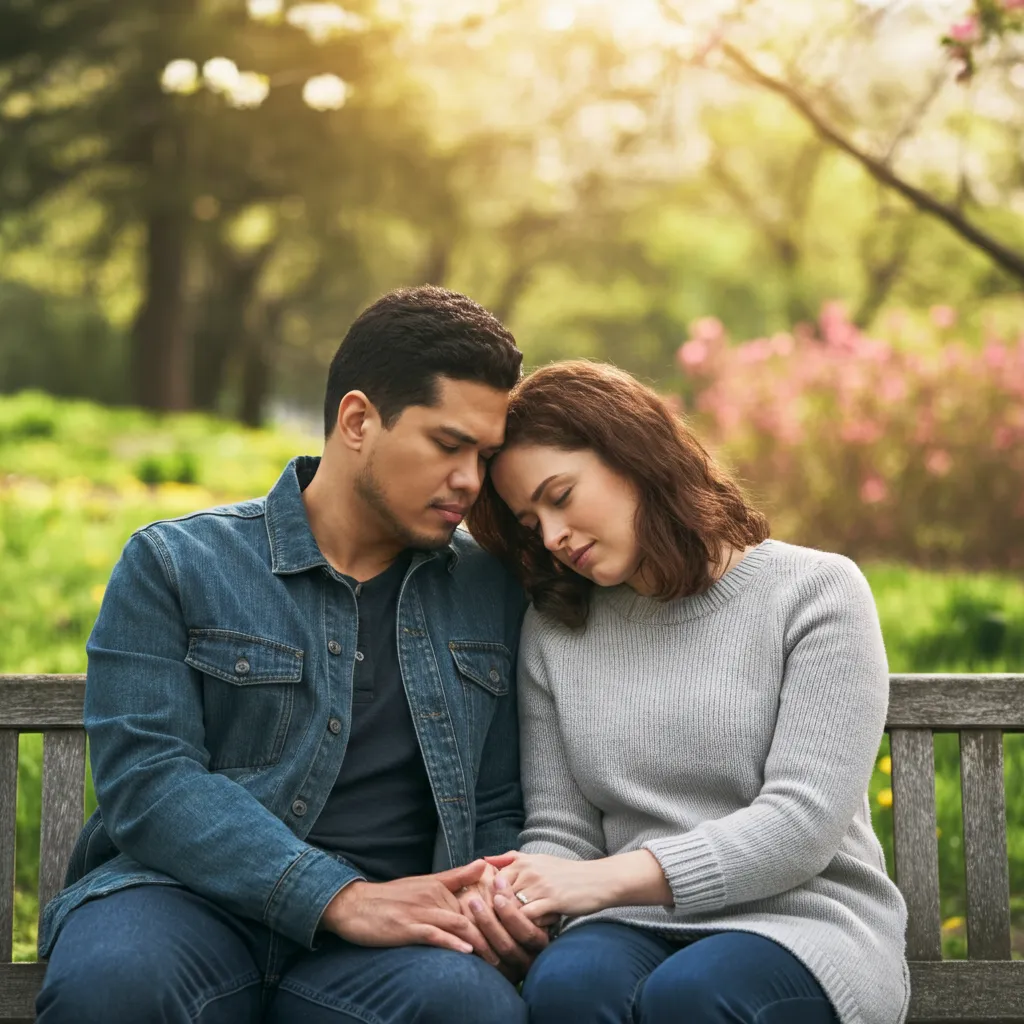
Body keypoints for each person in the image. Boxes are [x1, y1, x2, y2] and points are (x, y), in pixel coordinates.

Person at [36, 286, 547, 1024]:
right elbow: (150, 781)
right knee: (116, 985)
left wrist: (499, 906)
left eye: (485, 455)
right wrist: (336, 897)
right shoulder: (176, 563)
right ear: (358, 420)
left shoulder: (489, 591)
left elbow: (499, 799)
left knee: (471, 1010)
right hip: (184, 902)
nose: (470, 480)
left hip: (390, 941)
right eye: (447, 444)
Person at [467, 360, 911, 1024]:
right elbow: (564, 828)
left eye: (560, 496)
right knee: (567, 987)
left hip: (804, 920)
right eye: (532, 524)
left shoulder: (815, 593)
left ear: (635, 454)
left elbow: (800, 824)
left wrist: (600, 881)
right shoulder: (558, 628)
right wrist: (525, 893)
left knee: (693, 997)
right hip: (627, 922)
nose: (553, 536)